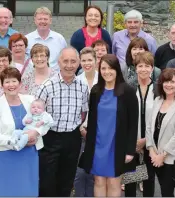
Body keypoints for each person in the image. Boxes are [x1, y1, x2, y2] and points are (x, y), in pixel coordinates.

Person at [79, 54, 138, 197]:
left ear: (117, 69)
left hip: (117, 146)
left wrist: (130, 151)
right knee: (98, 181)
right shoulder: (95, 91)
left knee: (114, 182)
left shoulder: (128, 92)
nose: (107, 72)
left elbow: (133, 123)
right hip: (98, 145)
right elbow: (92, 120)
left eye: (110, 68)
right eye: (103, 68)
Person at [36, 47, 90, 197]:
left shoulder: (83, 86)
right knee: (47, 182)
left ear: (78, 63)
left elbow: (84, 111)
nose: (69, 65)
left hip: (72, 139)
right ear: (58, 62)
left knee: (66, 181)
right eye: (65, 61)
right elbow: (36, 114)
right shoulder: (47, 86)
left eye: (73, 61)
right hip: (50, 138)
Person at [0, 67, 50, 196]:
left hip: (29, 155)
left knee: (27, 191)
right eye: (7, 82)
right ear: (2, 85)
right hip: (6, 155)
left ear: (20, 83)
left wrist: (36, 133)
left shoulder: (30, 100)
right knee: (6, 192)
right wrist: (17, 142)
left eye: (14, 81)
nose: (11, 85)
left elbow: (45, 122)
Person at [145, 68, 175, 197]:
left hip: (170, 158)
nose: (169, 85)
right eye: (165, 81)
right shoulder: (158, 100)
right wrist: (151, 151)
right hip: (154, 155)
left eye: (172, 82)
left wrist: (162, 156)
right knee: (149, 185)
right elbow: (149, 127)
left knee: (167, 192)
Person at [124, 52, 160, 197]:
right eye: (140, 66)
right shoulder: (129, 89)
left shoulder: (158, 90)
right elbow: (125, 117)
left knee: (148, 179)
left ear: (152, 68)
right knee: (130, 180)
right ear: (135, 68)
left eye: (147, 66)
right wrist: (133, 141)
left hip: (151, 143)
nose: (143, 69)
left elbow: (159, 119)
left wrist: (146, 141)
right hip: (132, 142)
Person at [75, 47, 99, 197]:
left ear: (96, 61)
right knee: (79, 172)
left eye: (90, 60)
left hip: (98, 132)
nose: (87, 63)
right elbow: (73, 108)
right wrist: (81, 128)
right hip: (80, 131)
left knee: (93, 172)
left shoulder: (103, 79)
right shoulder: (77, 81)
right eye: (83, 60)